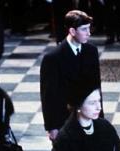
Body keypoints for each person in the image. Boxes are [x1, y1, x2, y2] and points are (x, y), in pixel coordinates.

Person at [40, 10, 101, 143]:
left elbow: (96, 87)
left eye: (89, 28)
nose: (89, 33)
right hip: (64, 121)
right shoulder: (53, 58)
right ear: (72, 31)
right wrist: (52, 127)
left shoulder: (91, 51)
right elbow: (49, 96)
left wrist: (99, 118)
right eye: (84, 29)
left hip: (87, 117)